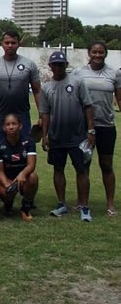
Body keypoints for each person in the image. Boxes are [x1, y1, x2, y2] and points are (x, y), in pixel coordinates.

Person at [41, 51, 96, 222]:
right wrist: (44, 135)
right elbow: (45, 113)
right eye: (55, 64)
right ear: (50, 66)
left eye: (61, 64)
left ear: (66, 65)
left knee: (81, 170)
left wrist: (91, 130)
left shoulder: (77, 82)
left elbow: (88, 107)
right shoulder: (46, 87)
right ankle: (61, 204)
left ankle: (84, 207)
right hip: (56, 136)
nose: (58, 67)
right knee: (58, 169)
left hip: (77, 136)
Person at [71, 41, 121, 216]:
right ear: (89, 53)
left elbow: (119, 99)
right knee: (83, 165)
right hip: (84, 127)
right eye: (94, 52)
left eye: (101, 53)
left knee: (106, 165)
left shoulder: (114, 73)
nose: (97, 55)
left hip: (106, 126)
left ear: (105, 54)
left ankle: (110, 204)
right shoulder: (79, 73)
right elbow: (74, 98)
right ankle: (81, 202)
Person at [0, 30, 41, 146]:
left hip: (21, 114)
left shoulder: (29, 64)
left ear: (19, 44)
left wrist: (41, 115)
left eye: (13, 43)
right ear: (1, 44)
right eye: (7, 42)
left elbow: (37, 91)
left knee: (25, 148)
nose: (10, 45)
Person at [0, 113, 39, 221]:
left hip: (23, 178)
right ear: (4, 128)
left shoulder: (29, 142)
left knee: (33, 178)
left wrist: (22, 175)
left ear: (20, 126)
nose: (11, 127)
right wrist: (6, 184)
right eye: (8, 124)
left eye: (14, 123)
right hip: (8, 178)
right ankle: (8, 206)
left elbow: (31, 165)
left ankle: (25, 209)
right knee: (4, 191)